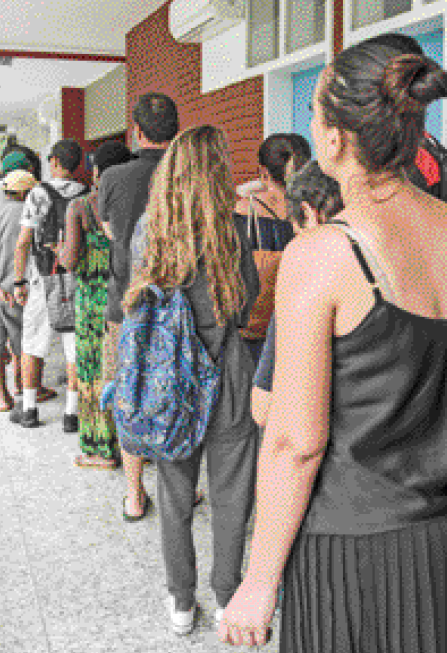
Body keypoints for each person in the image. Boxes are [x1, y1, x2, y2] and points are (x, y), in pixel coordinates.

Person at [218, 37, 447, 652]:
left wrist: (258, 581)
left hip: (362, 547)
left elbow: (295, 443)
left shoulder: (323, 254)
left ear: (331, 139)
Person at [123, 124, 260, 636]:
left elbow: (135, 302)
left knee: (175, 497)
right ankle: (227, 596)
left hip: (168, 381)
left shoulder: (148, 230)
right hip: (226, 372)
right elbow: (245, 301)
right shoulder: (230, 229)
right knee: (231, 495)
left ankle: (181, 603)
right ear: (217, 171)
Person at [98, 92, 179, 521]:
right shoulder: (188, 174)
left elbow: (112, 232)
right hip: (179, 306)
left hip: (125, 306)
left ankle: (134, 494)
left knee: (129, 396)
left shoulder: (113, 177)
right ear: (176, 131)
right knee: (175, 391)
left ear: (137, 132)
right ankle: (180, 488)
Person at [58, 140, 133, 469]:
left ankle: (100, 450)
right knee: (126, 369)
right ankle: (134, 448)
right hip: (128, 298)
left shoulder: (81, 207)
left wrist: (59, 249)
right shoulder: (136, 203)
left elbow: (71, 261)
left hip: (92, 305)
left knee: (92, 371)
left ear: (97, 171)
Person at [251, 160, 343, 427]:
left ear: (309, 212)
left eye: (297, 231)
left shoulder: (306, 281)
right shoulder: (403, 262)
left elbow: (263, 409)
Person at [11, 139, 87, 430]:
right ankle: (71, 414)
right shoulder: (87, 194)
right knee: (73, 346)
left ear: (54, 161)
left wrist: (19, 281)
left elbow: (23, 243)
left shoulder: (37, 194)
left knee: (33, 343)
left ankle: (29, 409)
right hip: (76, 278)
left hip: (42, 278)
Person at [234, 134, 307, 365]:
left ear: (263, 171)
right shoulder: (315, 211)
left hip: (253, 332)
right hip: (298, 330)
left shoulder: (244, 209)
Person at [0, 170, 37, 411]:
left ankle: (3, 397)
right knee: (23, 337)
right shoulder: (26, 213)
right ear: (25, 191)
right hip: (15, 285)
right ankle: (23, 384)